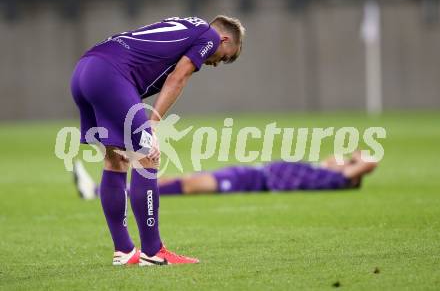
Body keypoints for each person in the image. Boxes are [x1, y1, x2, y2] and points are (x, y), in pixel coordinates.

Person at [70, 16, 245, 266]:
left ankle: (124, 251)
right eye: (227, 56)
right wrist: (152, 125)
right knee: (147, 156)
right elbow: (178, 78)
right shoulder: (210, 36)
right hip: (110, 74)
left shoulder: (189, 24)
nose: (218, 63)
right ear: (224, 39)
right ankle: (153, 251)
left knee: (116, 160)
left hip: (84, 70)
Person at [74, 151, 377, 198]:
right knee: (184, 180)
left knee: (190, 185)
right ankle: (106, 191)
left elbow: (370, 161)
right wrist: (346, 160)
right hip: (251, 173)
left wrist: (352, 163)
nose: (337, 156)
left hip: (256, 182)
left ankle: (102, 193)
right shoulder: (322, 171)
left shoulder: (336, 179)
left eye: (345, 158)